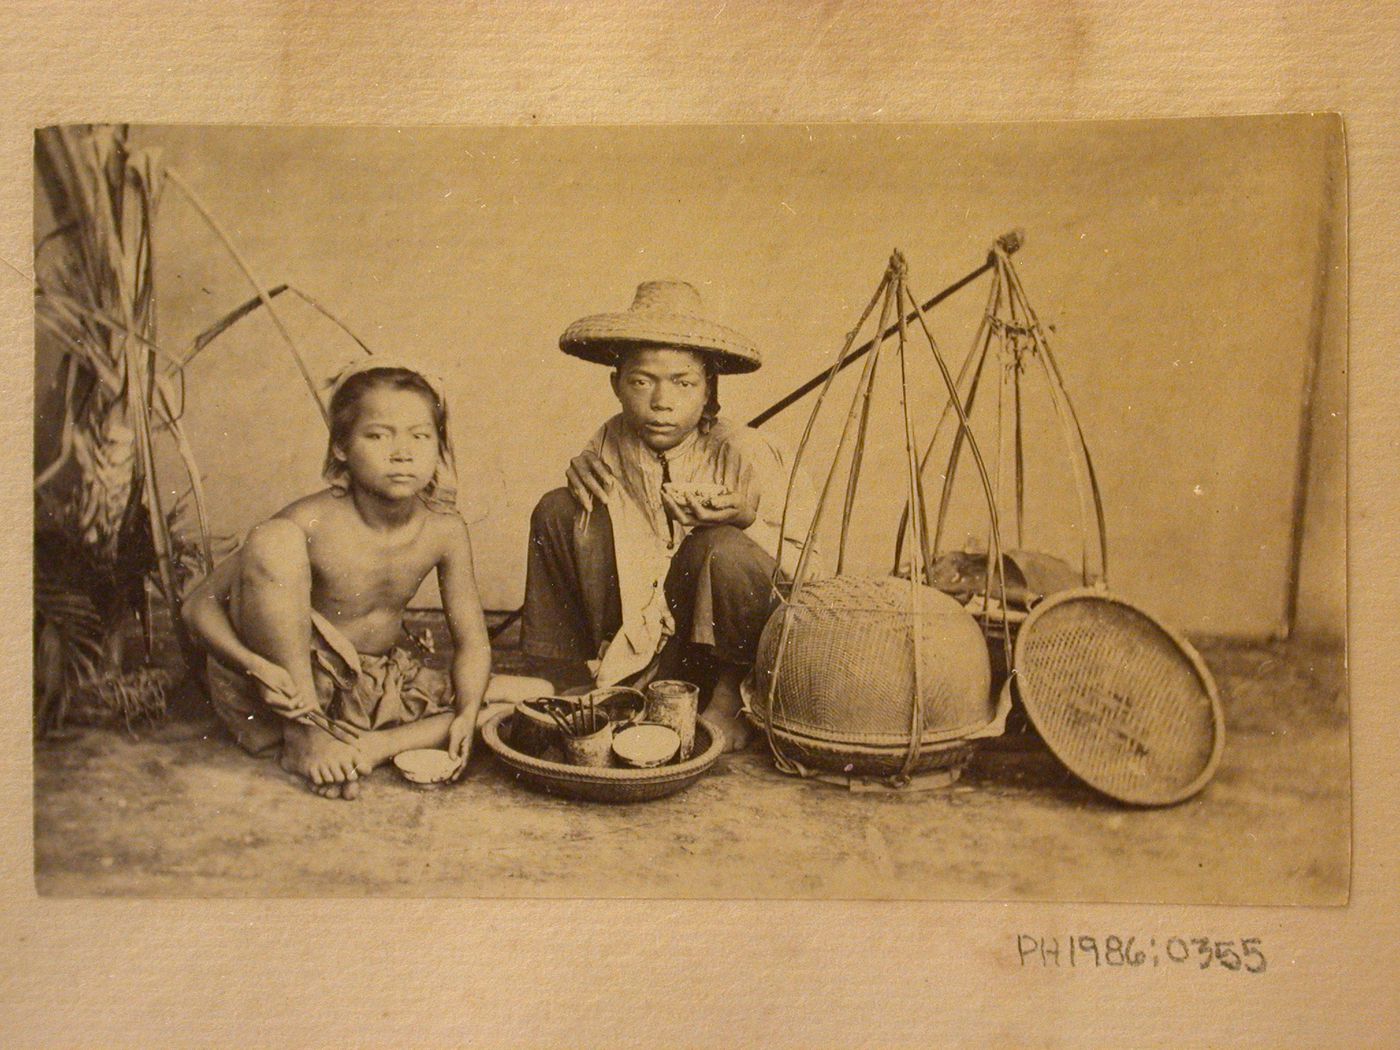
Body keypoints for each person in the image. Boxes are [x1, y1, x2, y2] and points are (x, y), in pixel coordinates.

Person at [522, 281, 815, 751]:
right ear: (616, 384)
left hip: (722, 643)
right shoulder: (609, 441)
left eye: (683, 383)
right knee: (559, 507)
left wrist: (745, 520)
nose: (662, 402)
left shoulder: (747, 452)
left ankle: (728, 699)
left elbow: (811, 575)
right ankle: (567, 676)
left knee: (715, 546)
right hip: (644, 628)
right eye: (642, 381)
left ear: (707, 392)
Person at [183, 358, 493, 800]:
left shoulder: (444, 529)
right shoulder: (310, 519)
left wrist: (465, 713)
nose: (402, 452)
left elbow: (474, 644)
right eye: (378, 435)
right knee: (274, 540)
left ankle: (370, 747)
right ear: (341, 448)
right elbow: (197, 606)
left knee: (511, 703)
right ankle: (305, 735)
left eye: (420, 436)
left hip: (367, 684)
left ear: (439, 447)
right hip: (285, 685)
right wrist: (259, 667)